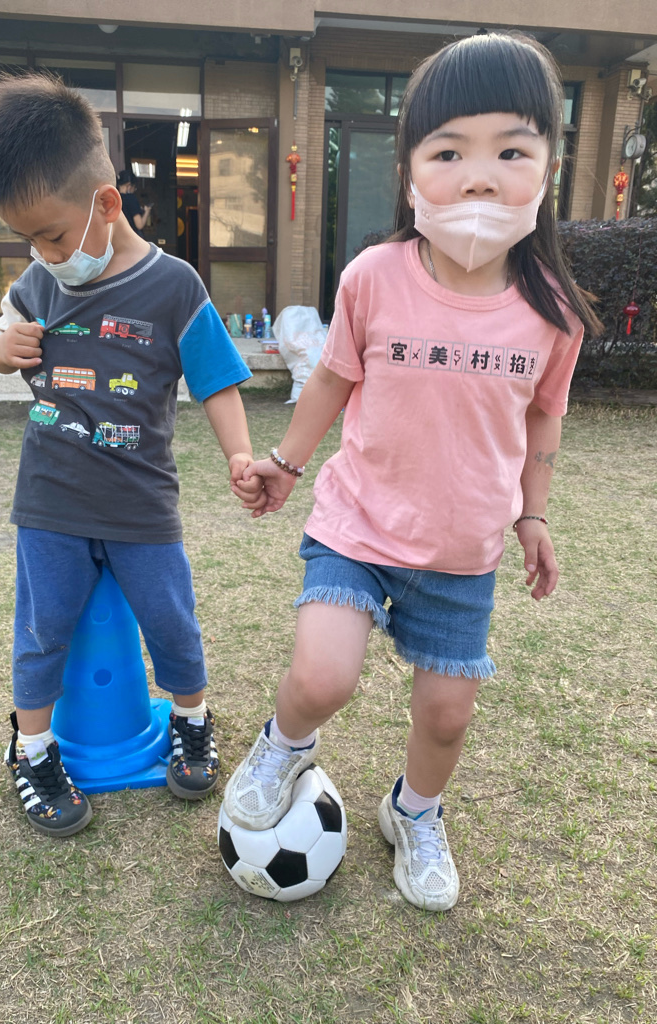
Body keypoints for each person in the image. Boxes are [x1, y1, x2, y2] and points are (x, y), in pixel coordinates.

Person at [223, 32, 601, 911]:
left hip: (463, 551)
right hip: (357, 525)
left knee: (446, 715)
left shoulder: (552, 311)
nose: (479, 179)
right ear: (409, 173)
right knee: (323, 677)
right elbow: (332, 377)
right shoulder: (374, 277)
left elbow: (543, 416)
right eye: (449, 152)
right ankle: (284, 745)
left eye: (511, 151)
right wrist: (284, 464)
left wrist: (533, 515)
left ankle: (415, 811)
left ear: (549, 167)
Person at [0, 72, 264, 837]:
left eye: (52, 235)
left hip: (141, 504)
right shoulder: (40, 282)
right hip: (51, 501)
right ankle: (34, 750)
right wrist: (1, 347)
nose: (43, 254)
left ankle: (190, 721)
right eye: (29, 240)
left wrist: (239, 456)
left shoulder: (174, 286)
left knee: (172, 622)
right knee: (42, 631)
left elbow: (216, 378)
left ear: (106, 203)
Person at [116, 170, 150, 236]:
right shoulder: (131, 199)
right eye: (134, 187)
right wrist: (147, 212)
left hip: (117, 236)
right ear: (129, 185)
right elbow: (139, 225)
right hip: (130, 236)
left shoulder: (114, 198)